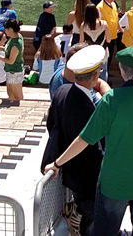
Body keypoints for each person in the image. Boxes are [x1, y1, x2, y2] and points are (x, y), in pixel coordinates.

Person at [48, 46, 133, 236]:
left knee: (105, 230)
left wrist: (57, 163)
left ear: (122, 71)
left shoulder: (111, 100)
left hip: (115, 183)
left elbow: (84, 139)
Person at [44, 45, 108, 233]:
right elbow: (91, 144)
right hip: (87, 176)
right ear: (96, 77)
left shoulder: (62, 91)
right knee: (91, 220)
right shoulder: (85, 108)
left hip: (72, 170)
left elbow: (52, 126)